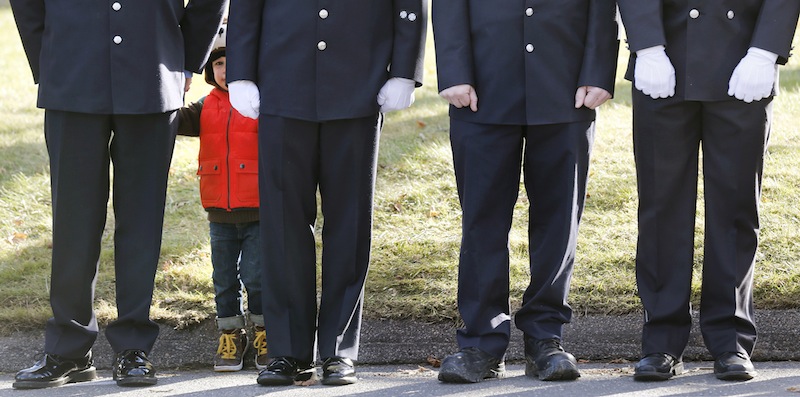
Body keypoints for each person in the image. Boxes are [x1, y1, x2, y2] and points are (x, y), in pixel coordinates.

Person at [9, 0, 227, 389]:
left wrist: (186, 57)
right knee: (74, 220)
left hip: (152, 71)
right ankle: (69, 348)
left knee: (141, 222)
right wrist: (46, 57)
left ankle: (134, 347)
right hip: (71, 74)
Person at [225, 1, 427, 387]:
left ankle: (338, 350)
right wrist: (240, 73)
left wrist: (405, 70)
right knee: (283, 225)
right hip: (282, 81)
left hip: (358, 83)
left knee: (349, 224)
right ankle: (288, 351)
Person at [432, 0, 619, 383]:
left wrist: (599, 70)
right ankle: (482, 342)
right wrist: (453, 68)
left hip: (565, 84)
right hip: (481, 86)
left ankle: (545, 338)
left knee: (558, 219)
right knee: (482, 219)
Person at [616, 0, 800, 382]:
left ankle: (730, 338)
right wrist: (647, 45)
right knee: (660, 207)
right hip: (663, 59)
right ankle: (661, 340)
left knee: (735, 209)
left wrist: (766, 50)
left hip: (743, 58)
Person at [177, 24, 268, 373]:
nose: (227, 71)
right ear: (208, 70)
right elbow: (174, 118)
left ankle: (264, 330)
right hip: (219, 211)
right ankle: (231, 334)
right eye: (219, 65)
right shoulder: (205, 107)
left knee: (257, 275)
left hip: (256, 207)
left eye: (235, 62)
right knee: (223, 277)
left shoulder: (260, 101)